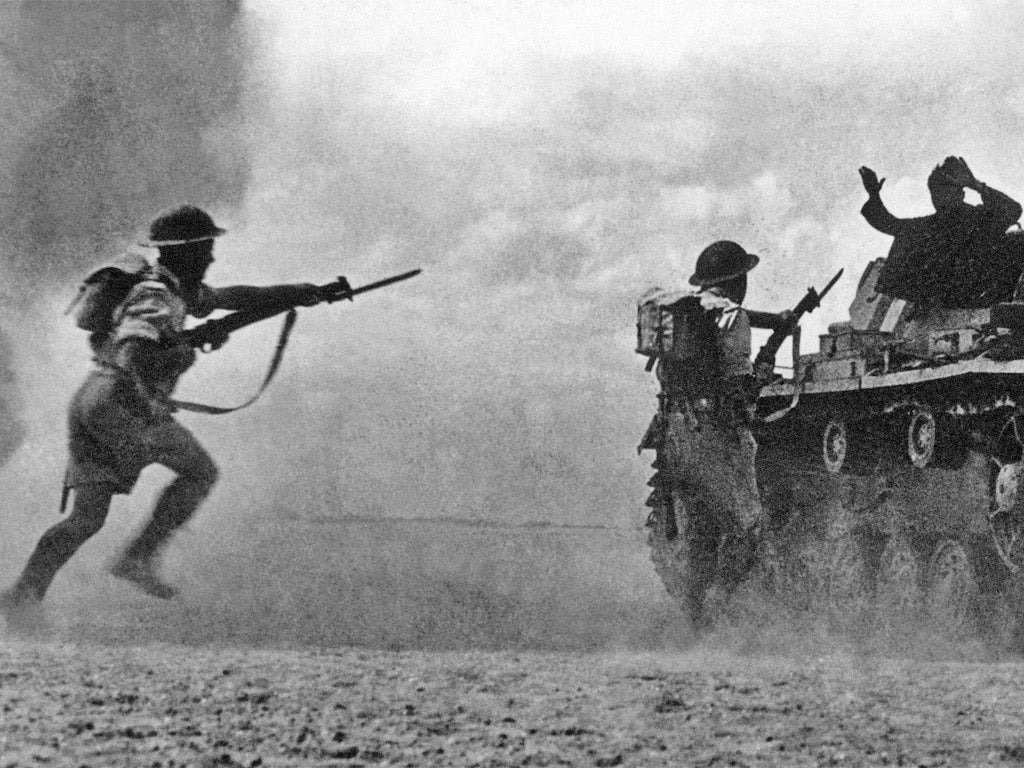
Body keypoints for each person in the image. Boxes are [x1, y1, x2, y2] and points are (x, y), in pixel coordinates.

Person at [0, 205, 322, 620]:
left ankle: (22, 596)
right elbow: (133, 349)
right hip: (121, 402)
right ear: (184, 253)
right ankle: (138, 558)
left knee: (85, 519)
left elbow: (237, 298)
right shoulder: (157, 295)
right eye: (205, 248)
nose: (211, 257)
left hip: (91, 401)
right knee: (201, 472)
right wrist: (155, 386)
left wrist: (300, 292)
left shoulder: (176, 290)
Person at [653, 240, 789, 623]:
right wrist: (764, 366)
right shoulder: (734, 316)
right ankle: (719, 602)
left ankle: (694, 619)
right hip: (714, 433)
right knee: (749, 528)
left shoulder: (685, 310)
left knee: (700, 532)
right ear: (738, 280)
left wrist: (776, 321)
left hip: (675, 430)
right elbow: (740, 384)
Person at [859, 156, 1022, 306]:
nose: (938, 198)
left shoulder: (979, 219)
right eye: (935, 193)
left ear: (961, 193)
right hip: (949, 301)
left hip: (983, 296)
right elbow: (889, 223)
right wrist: (873, 194)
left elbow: (1013, 210)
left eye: (945, 191)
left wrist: (976, 185)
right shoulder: (927, 227)